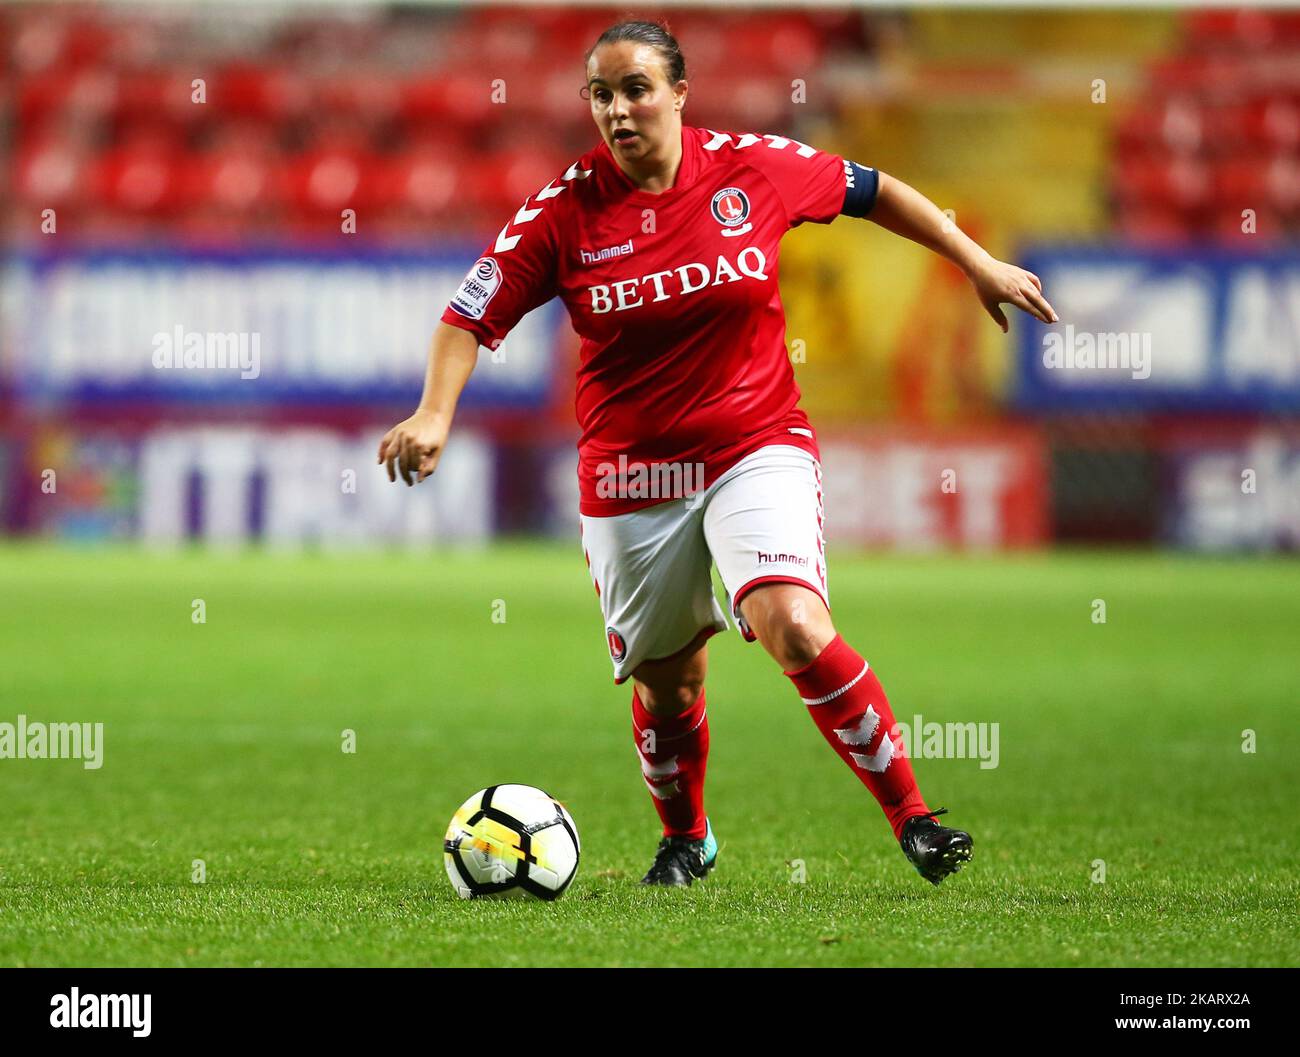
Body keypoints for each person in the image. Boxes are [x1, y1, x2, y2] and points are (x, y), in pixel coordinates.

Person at [379, 19, 1057, 887]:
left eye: (635, 89)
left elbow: (874, 188)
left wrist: (974, 260)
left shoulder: (754, 167)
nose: (618, 110)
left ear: (679, 93)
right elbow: (468, 314)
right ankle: (688, 836)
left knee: (796, 625)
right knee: (669, 685)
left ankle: (915, 818)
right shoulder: (563, 211)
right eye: (601, 93)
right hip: (632, 476)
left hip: (754, 443)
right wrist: (436, 412)